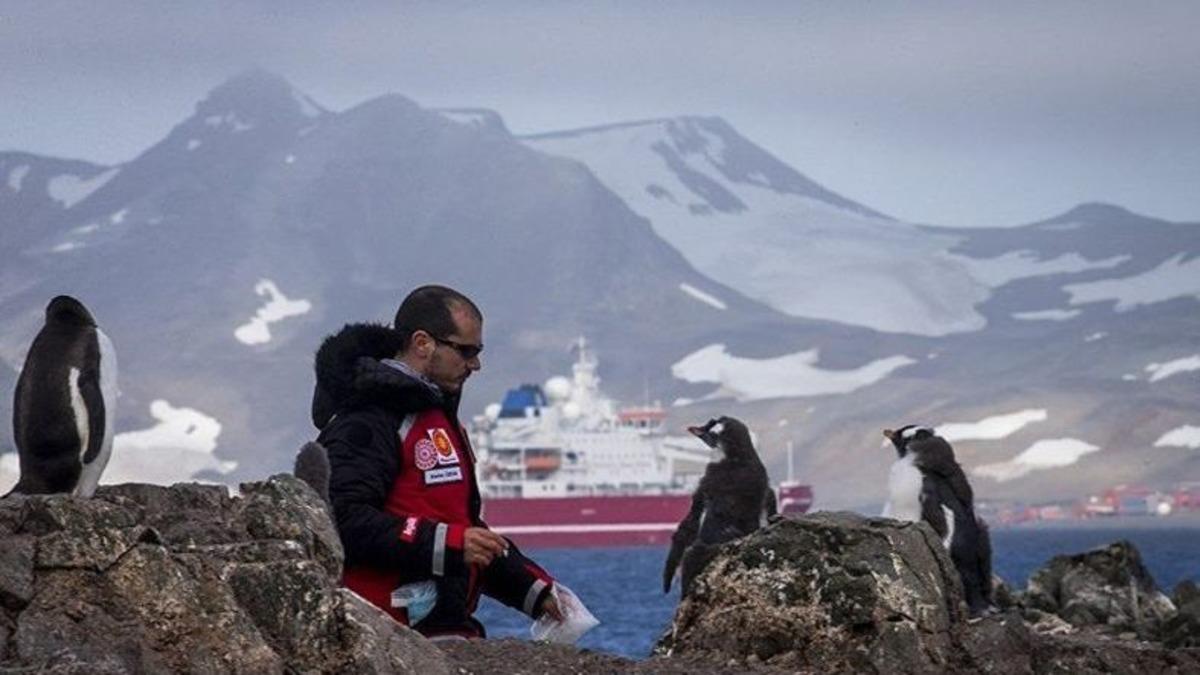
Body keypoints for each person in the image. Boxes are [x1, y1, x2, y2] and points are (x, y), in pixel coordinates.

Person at [311, 284, 561, 639]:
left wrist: (534, 591)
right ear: (423, 343)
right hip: (388, 638)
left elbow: (460, 528)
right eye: (465, 350)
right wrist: (449, 542)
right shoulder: (369, 418)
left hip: (445, 629)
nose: (475, 364)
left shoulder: (437, 418)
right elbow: (343, 520)